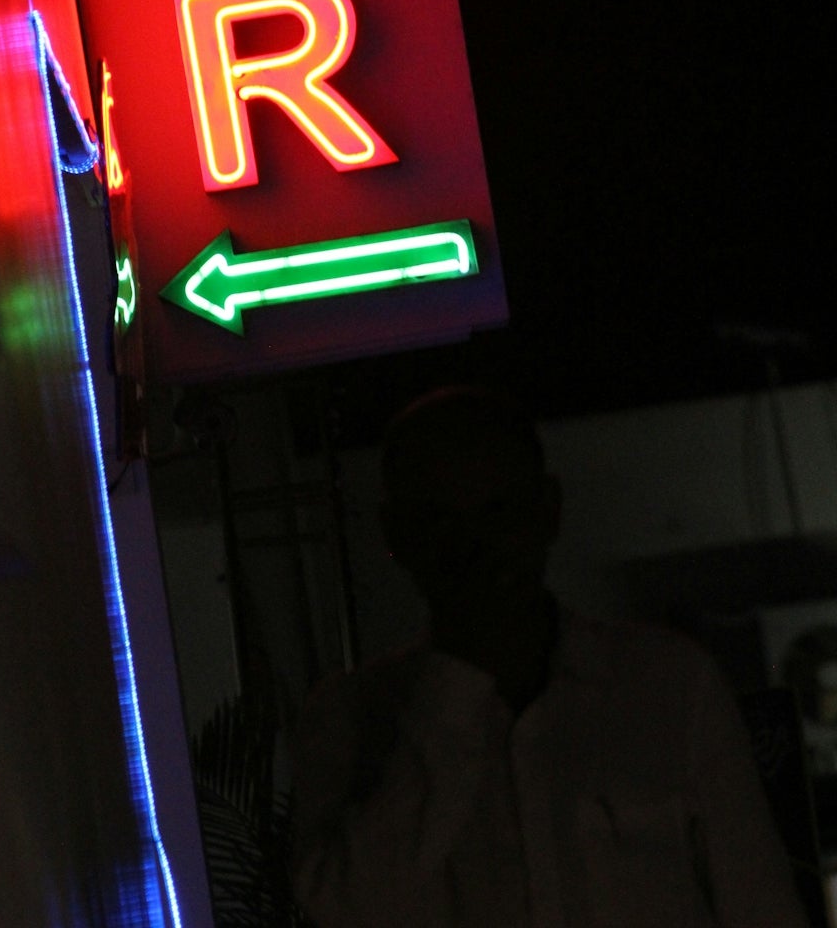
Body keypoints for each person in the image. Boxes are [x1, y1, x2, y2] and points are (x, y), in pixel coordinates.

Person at [290, 387, 806, 926]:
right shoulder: (349, 717)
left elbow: (760, 901)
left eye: (498, 513)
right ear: (399, 535)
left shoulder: (669, 684)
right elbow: (347, 907)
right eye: (441, 521)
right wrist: (454, 686)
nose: (476, 550)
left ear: (547, 511)